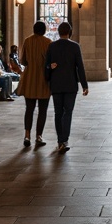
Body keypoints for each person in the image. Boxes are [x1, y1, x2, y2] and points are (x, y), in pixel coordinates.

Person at [46, 21, 88, 152]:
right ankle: (64, 140)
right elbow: (80, 67)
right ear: (70, 32)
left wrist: (49, 71)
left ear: (58, 32)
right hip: (70, 85)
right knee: (68, 113)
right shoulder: (75, 46)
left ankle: (59, 140)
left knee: (58, 113)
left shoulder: (52, 46)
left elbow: (46, 65)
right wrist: (84, 85)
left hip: (56, 84)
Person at [17, 20, 52, 148]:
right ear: (44, 30)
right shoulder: (48, 42)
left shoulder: (27, 40)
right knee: (43, 110)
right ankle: (39, 136)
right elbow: (50, 61)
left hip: (30, 78)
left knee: (29, 109)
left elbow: (23, 60)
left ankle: (27, 135)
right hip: (43, 79)